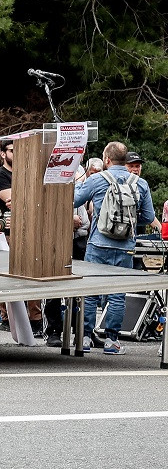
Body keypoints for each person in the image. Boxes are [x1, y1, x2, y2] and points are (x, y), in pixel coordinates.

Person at [73, 141, 154, 354]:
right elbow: (148, 217)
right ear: (125, 160)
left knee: (90, 292)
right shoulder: (140, 183)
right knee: (117, 295)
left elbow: (74, 200)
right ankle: (112, 341)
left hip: (98, 243)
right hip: (125, 246)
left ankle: (86, 338)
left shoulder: (98, 179)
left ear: (106, 160)